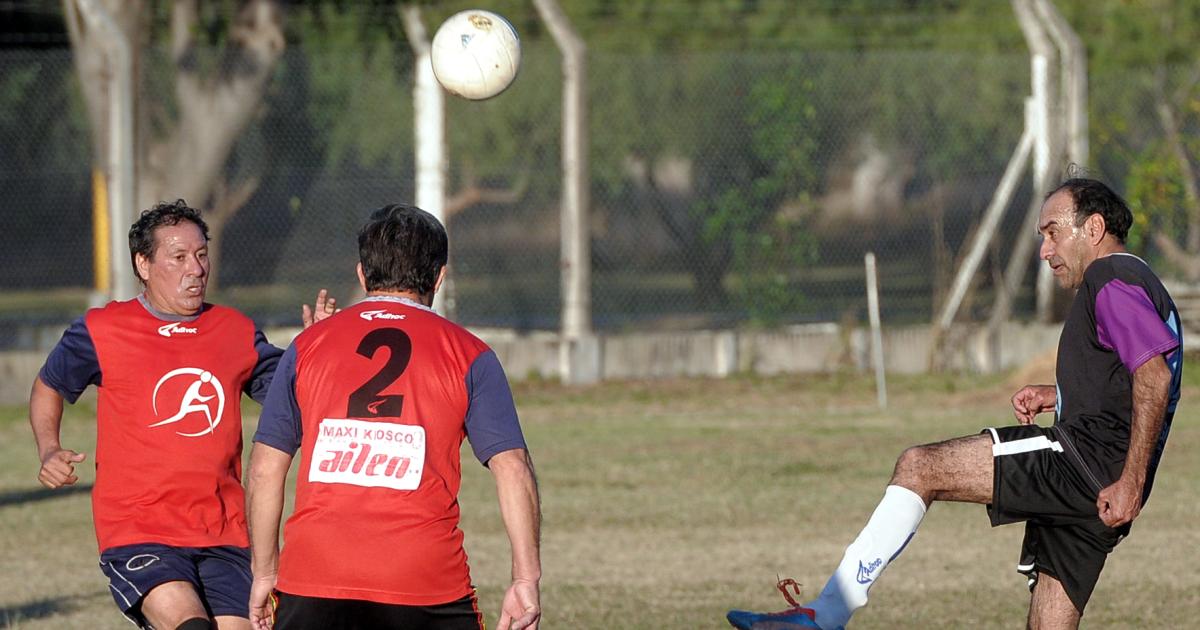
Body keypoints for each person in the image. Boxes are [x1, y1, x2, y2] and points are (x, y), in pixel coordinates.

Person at [727, 178, 1182, 630]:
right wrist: (1059, 394)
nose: (1045, 250)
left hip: (1082, 467)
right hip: (1098, 491)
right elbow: (1129, 377)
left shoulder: (1110, 278)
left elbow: (1153, 376)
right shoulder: (1137, 281)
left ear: (1094, 227)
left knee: (920, 466)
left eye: (1052, 231)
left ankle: (823, 618)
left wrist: (1131, 481)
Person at [30, 200, 337, 630]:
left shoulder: (236, 331)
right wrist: (49, 449)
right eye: (178, 257)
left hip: (225, 532)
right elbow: (49, 386)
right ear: (143, 263)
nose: (195, 268)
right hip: (139, 529)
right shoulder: (103, 329)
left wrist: (315, 349)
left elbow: (295, 394)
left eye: (201, 255)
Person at [246, 203, 541, 630]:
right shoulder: (470, 354)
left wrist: (264, 573)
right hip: (425, 582)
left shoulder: (306, 348)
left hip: (313, 578)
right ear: (440, 276)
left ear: (362, 275)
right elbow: (512, 467)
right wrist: (525, 578)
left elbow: (263, 470)